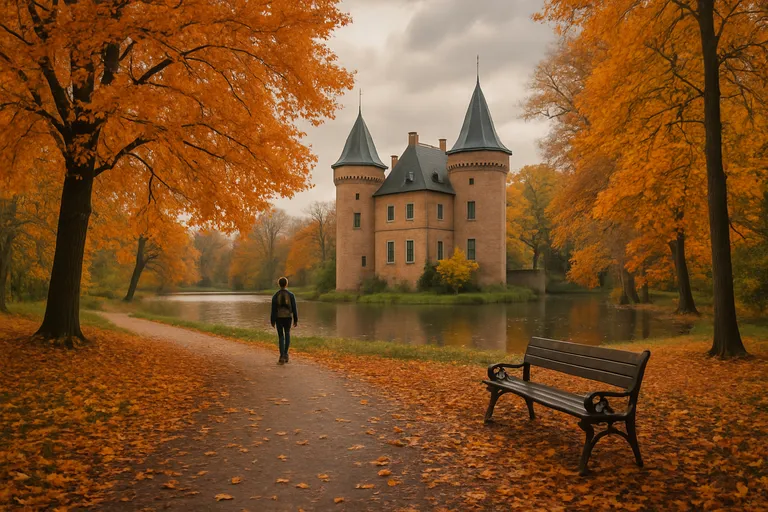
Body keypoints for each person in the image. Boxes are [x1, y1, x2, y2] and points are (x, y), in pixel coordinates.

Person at [270, 277, 298, 365]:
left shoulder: (275, 295)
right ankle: (286, 354)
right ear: (286, 284)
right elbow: (294, 308)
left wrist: (272, 320)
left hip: (279, 317)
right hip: (288, 317)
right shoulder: (291, 295)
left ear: (279, 284)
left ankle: (281, 356)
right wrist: (296, 319)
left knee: (281, 336)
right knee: (287, 333)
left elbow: (273, 309)